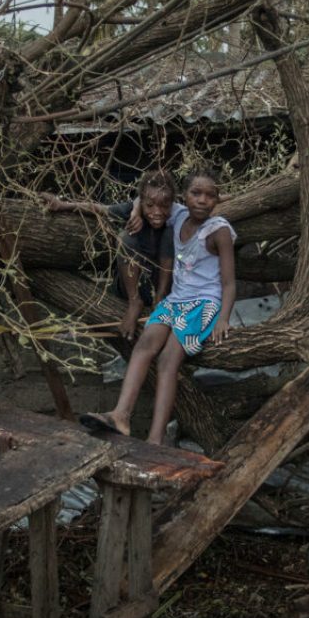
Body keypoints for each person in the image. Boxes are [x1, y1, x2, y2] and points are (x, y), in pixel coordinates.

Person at [81, 168, 236, 445]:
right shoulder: (177, 214)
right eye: (196, 193)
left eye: (210, 195)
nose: (202, 200)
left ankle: (156, 438)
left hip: (203, 304)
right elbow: (144, 198)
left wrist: (224, 318)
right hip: (174, 301)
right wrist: (135, 210)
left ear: (217, 199)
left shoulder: (219, 230)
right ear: (183, 196)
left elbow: (228, 282)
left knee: (167, 360)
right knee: (144, 346)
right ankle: (121, 415)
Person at [42, 171, 177, 340]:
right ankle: (134, 302)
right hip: (132, 284)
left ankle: (160, 297)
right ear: (141, 202)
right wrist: (63, 205)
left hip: (161, 285)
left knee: (170, 234)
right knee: (126, 237)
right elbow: (99, 208)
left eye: (164, 206)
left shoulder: (178, 216)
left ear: (172, 204)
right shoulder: (132, 210)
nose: (157, 212)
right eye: (150, 206)